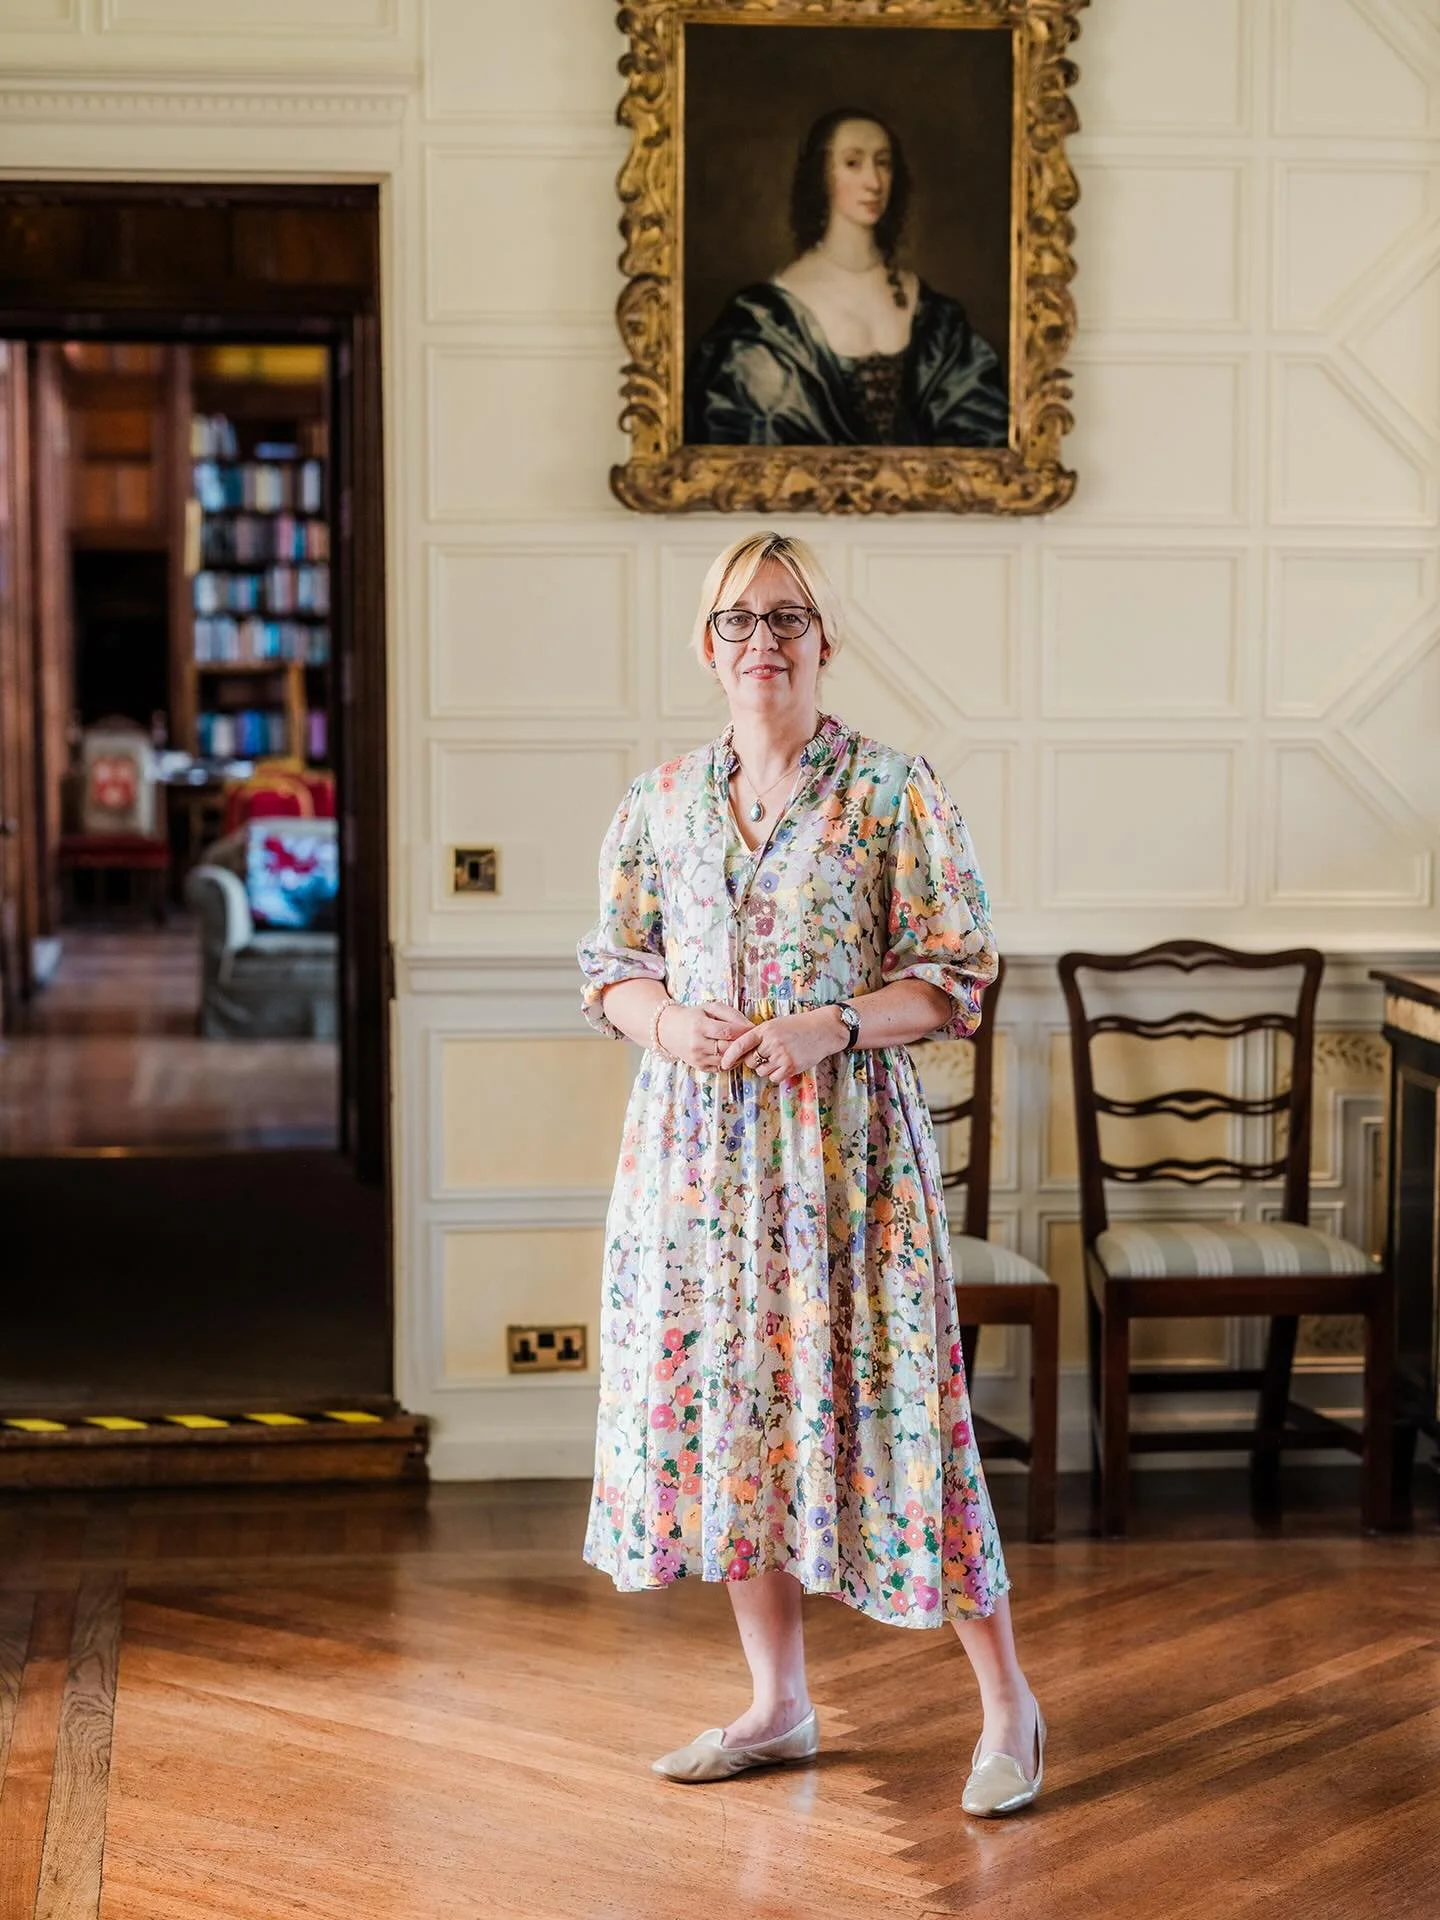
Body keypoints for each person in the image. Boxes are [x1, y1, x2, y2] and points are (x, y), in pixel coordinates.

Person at [577, 531, 1044, 1818]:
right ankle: (778, 1702)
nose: (762, 641)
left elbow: (958, 971)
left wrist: (827, 1024)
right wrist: (673, 1025)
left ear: (823, 642)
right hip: (695, 1165)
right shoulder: (660, 799)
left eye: (787, 618)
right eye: (738, 619)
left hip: (848, 1162)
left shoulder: (894, 790)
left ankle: (1009, 1705)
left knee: (906, 1415)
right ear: (707, 643)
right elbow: (609, 970)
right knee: (734, 1422)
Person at [685, 108, 1009, 447]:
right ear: (821, 175)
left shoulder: (934, 315)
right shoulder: (765, 319)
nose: (874, 181)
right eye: (853, 163)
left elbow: (982, 431)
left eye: (883, 162)